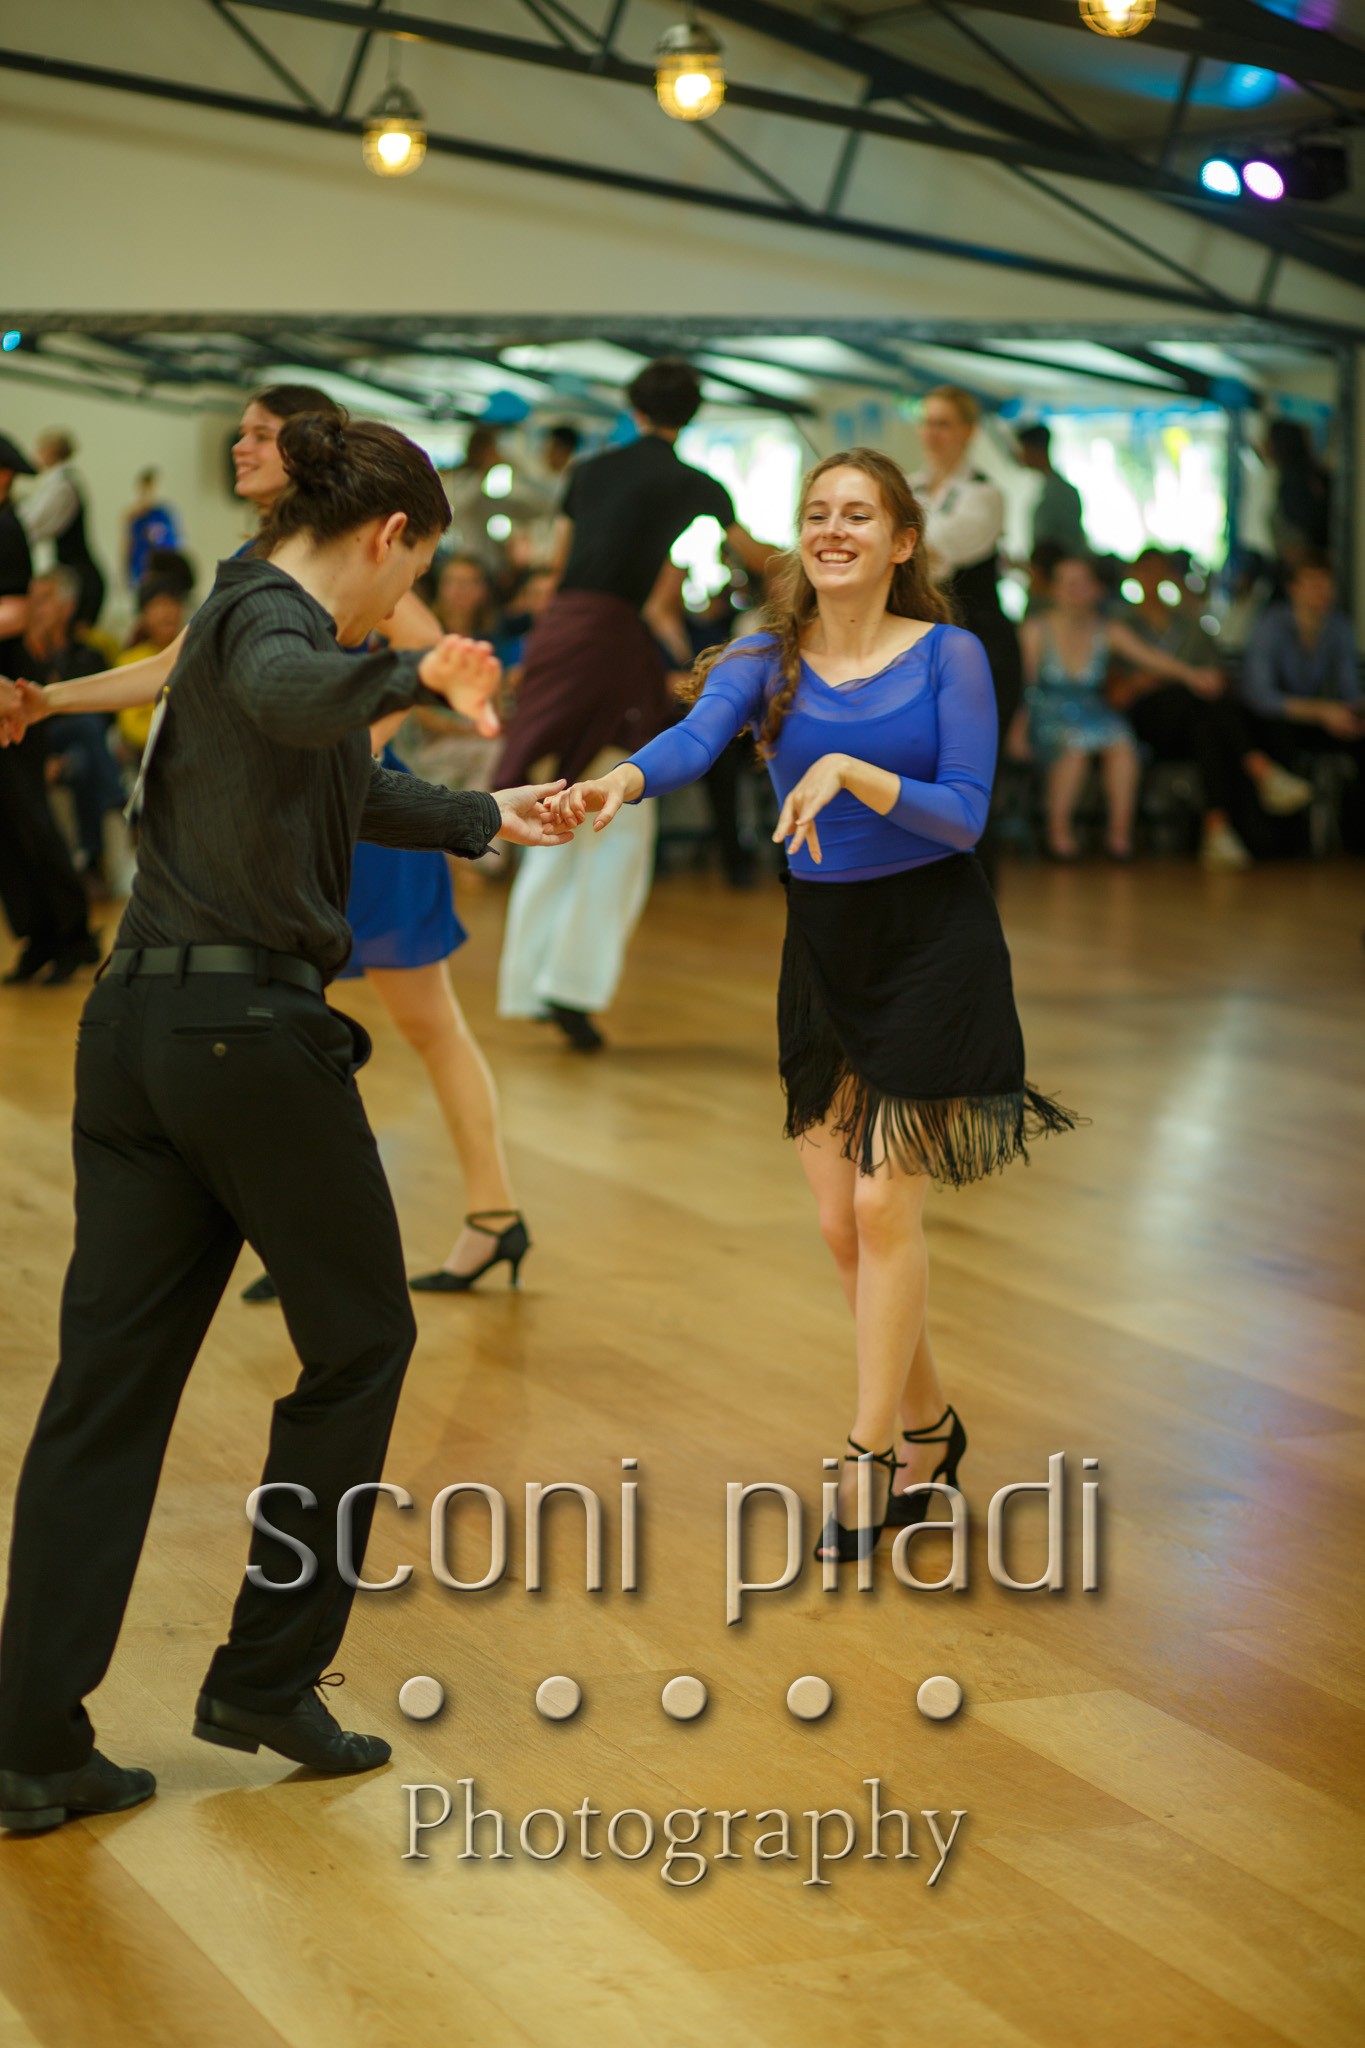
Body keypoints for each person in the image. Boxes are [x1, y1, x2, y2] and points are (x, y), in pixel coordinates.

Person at [0, 409, 572, 1836]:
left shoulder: (231, 612)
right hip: (243, 1041)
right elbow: (297, 693)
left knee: (106, 1389)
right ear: (390, 536)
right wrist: (410, 669)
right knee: (363, 1339)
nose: (403, 594)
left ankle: (29, 1745)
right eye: (412, 570)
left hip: (135, 1035)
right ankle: (266, 1675)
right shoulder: (273, 626)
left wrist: (489, 816)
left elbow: (334, 770)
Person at [551, 448, 1077, 1562]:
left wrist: (848, 771)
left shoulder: (949, 654)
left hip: (935, 944)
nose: (833, 529)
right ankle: (931, 1427)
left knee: (886, 1209)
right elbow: (694, 739)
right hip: (824, 948)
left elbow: (966, 814)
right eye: (816, 513)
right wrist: (617, 782)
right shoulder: (766, 656)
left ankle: (869, 1452)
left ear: (901, 542)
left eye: (858, 514)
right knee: (842, 1225)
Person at [7, 383, 535, 1296]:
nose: (241, 447)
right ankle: (301, 1229)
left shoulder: (370, 556)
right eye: (242, 432)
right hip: (301, 816)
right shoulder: (253, 572)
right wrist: (47, 701)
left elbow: (420, 659)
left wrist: (338, 768)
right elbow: (174, 671)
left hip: (363, 823)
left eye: (261, 434)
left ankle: (488, 1215)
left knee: (421, 1024)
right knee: (283, 1025)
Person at [496, 356, 778, 1049]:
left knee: (556, 800)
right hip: (610, 641)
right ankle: (570, 987)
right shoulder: (695, 483)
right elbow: (755, 558)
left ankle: (532, 983)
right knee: (618, 817)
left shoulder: (589, 471)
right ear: (692, 413)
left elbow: (560, 569)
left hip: (562, 636)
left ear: (634, 406)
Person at [1015, 553, 1223, 862]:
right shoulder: (1035, 631)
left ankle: (1119, 837)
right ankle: (1058, 834)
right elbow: (1024, 686)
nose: (1075, 591)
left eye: (1082, 583)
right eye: (1068, 584)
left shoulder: (1107, 630)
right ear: (1054, 589)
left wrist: (1191, 675)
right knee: (1074, 747)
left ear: (1096, 589)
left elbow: (1151, 658)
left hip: (1093, 712)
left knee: (1123, 744)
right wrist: (1017, 730)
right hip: (1048, 713)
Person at [1114, 547, 1312, 869]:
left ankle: (1217, 828)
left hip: (1193, 721)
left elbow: (1215, 672)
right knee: (1195, 702)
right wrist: (1169, 679)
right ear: (1133, 576)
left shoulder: (1190, 623)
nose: (1153, 578)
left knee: (1205, 728)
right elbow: (1118, 689)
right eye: (1146, 571)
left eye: (1160, 570)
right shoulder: (1121, 623)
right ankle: (1260, 769)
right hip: (1150, 718)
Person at [0, 438, 101, 984]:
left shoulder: (8, 528)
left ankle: (73, 934)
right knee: (6, 826)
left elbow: (16, 612)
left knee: (30, 815)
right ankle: (36, 935)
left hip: (11, 691)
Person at [912, 386, 1021, 887]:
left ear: (968, 431)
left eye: (944, 423)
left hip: (981, 648)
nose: (932, 433)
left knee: (973, 770)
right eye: (927, 422)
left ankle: (977, 887)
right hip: (924, 647)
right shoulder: (908, 488)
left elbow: (936, 552)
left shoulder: (984, 493)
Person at [1239, 553, 1364, 852]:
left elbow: (1349, 689)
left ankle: (1355, 835)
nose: (1321, 593)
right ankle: (1286, 839)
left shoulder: (1338, 628)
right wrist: (1321, 712)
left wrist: (1350, 714)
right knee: (1276, 733)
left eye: (1326, 585)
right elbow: (1260, 696)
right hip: (1275, 720)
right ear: (1294, 589)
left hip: (1318, 718)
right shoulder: (1271, 625)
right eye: (1312, 584)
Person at [19, 567, 122, 886]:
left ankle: (88, 862)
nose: (36, 608)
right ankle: (118, 800)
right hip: (34, 745)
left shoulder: (89, 655)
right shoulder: (20, 657)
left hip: (74, 751)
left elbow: (110, 714)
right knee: (86, 725)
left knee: (83, 760)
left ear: (67, 607)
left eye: (45, 599)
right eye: (33, 600)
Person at [18, 431, 107, 628]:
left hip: (79, 581)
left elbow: (35, 523)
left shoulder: (63, 485)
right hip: (69, 575)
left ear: (51, 451)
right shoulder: (57, 483)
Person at [1015, 423, 1087, 556]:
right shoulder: (1045, 487)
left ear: (1035, 450)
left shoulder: (1063, 493)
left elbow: (1069, 544)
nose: (1020, 456)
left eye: (1023, 449)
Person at [123, 468, 182, 587]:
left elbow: (174, 543)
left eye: (150, 489)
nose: (147, 494)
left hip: (163, 572)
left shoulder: (164, 515)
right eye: (144, 490)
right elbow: (129, 546)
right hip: (141, 573)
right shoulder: (135, 518)